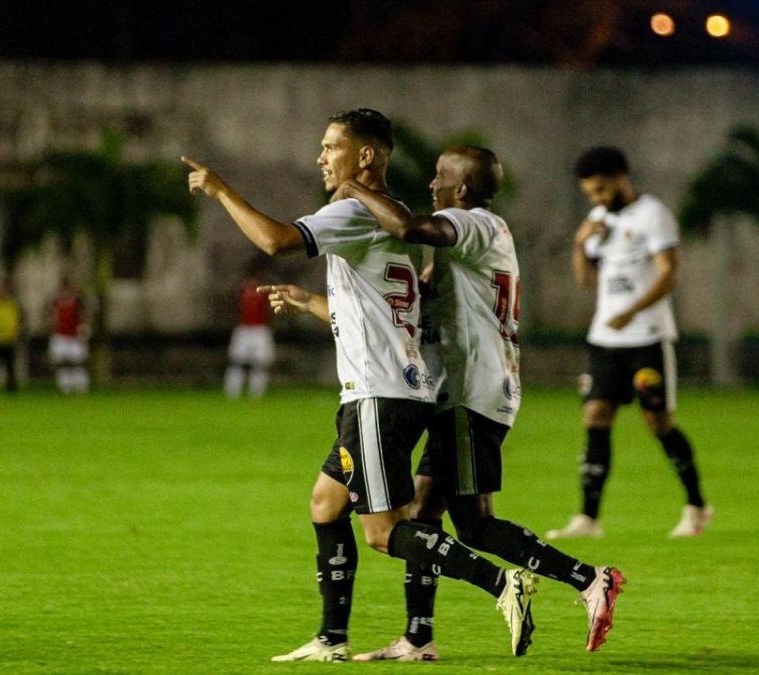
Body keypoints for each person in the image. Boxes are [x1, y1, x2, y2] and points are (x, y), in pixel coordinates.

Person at [184, 108, 537, 663]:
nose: (321, 157)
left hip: (379, 394)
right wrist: (309, 304)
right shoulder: (386, 217)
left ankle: (502, 586)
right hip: (389, 390)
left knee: (382, 532)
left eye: (331, 147)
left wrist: (222, 190)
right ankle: (332, 639)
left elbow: (276, 241)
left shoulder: (351, 210)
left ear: (365, 156)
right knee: (326, 505)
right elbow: (380, 313)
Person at [335, 146, 625, 662]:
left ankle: (589, 579)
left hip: (474, 392)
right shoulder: (475, 238)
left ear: (463, 189)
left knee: (474, 524)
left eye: (440, 178)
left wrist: (355, 188)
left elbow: (415, 229)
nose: (431, 186)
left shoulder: (474, 223)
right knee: (427, 512)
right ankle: (418, 638)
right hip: (466, 392)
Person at [549, 146, 712, 540]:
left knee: (657, 421)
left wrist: (632, 311)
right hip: (605, 341)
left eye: (602, 189)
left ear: (622, 177)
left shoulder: (652, 215)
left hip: (647, 339)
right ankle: (588, 518)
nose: (598, 199)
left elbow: (669, 274)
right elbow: (587, 281)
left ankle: (696, 507)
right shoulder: (598, 219)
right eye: (591, 193)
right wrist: (579, 244)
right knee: (596, 417)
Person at [224, 263, 274, 399]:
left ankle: (256, 392)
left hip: (260, 329)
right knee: (236, 361)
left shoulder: (265, 292)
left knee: (260, 363)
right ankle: (232, 391)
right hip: (244, 328)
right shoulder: (240, 291)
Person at [47, 275, 90, 395]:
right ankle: (65, 386)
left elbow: (83, 315)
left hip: (74, 336)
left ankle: (81, 385)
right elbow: (50, 316)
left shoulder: (77, 301)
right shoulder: (55, 301)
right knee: (61, 362)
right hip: (60, 335)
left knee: (78, 362)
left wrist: (83, 328)